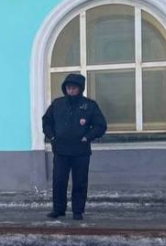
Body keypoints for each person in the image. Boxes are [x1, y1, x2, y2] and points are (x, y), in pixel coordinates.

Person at [41, 73, 107, 221]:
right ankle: (58, 209)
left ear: (80, 88)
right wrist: (52, 137)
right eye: (68, 87)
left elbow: (100, 125)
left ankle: (78, 211)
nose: (71, 90)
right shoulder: (57, 104)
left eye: (74, 88)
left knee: (80, 182)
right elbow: (46, 121)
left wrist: (87, 137)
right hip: (61, 150)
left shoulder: (89, 106)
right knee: (59, 181)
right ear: (65, 88)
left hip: (80, 151)